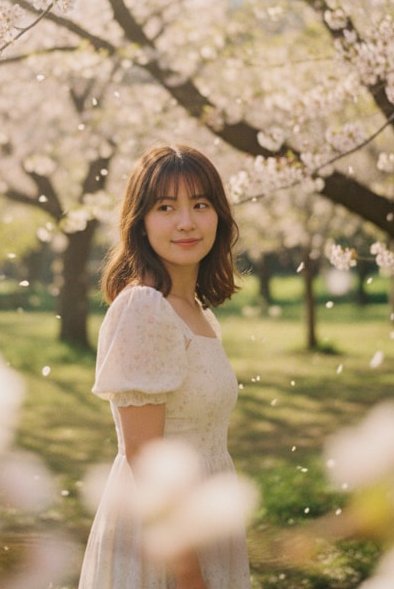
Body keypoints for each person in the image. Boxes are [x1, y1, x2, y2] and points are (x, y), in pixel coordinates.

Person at [78, 144, 251, 589]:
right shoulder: (145, 307)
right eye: (166, 207)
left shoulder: (196, 311)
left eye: (200, 204)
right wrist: (188, 572)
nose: (186, 222)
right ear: (140, 222)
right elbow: (144, 458)